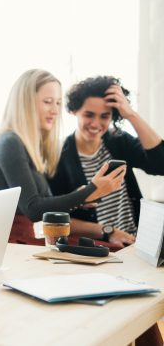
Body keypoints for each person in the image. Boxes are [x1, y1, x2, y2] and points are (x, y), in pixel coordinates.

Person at [0, 69, 125, 237]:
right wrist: (89, 192)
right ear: (25, 103)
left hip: (18, 241)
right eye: (48, 102)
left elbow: (43, 203)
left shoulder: (27, 144)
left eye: (57, 103)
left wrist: (81, 197)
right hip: (2, 243)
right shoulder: (9, 142)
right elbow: (33, 209)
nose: (55, 111)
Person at [48, 76, 164, 246]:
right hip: (97, 249)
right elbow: (55, 220)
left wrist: (130, 114)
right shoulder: (57, 156)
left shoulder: (119, 140)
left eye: (105, 116)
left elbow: (160, 165)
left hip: (136, 243)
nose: (96, 124)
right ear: (74, 110)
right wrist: (108, 232)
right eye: (89, 115)